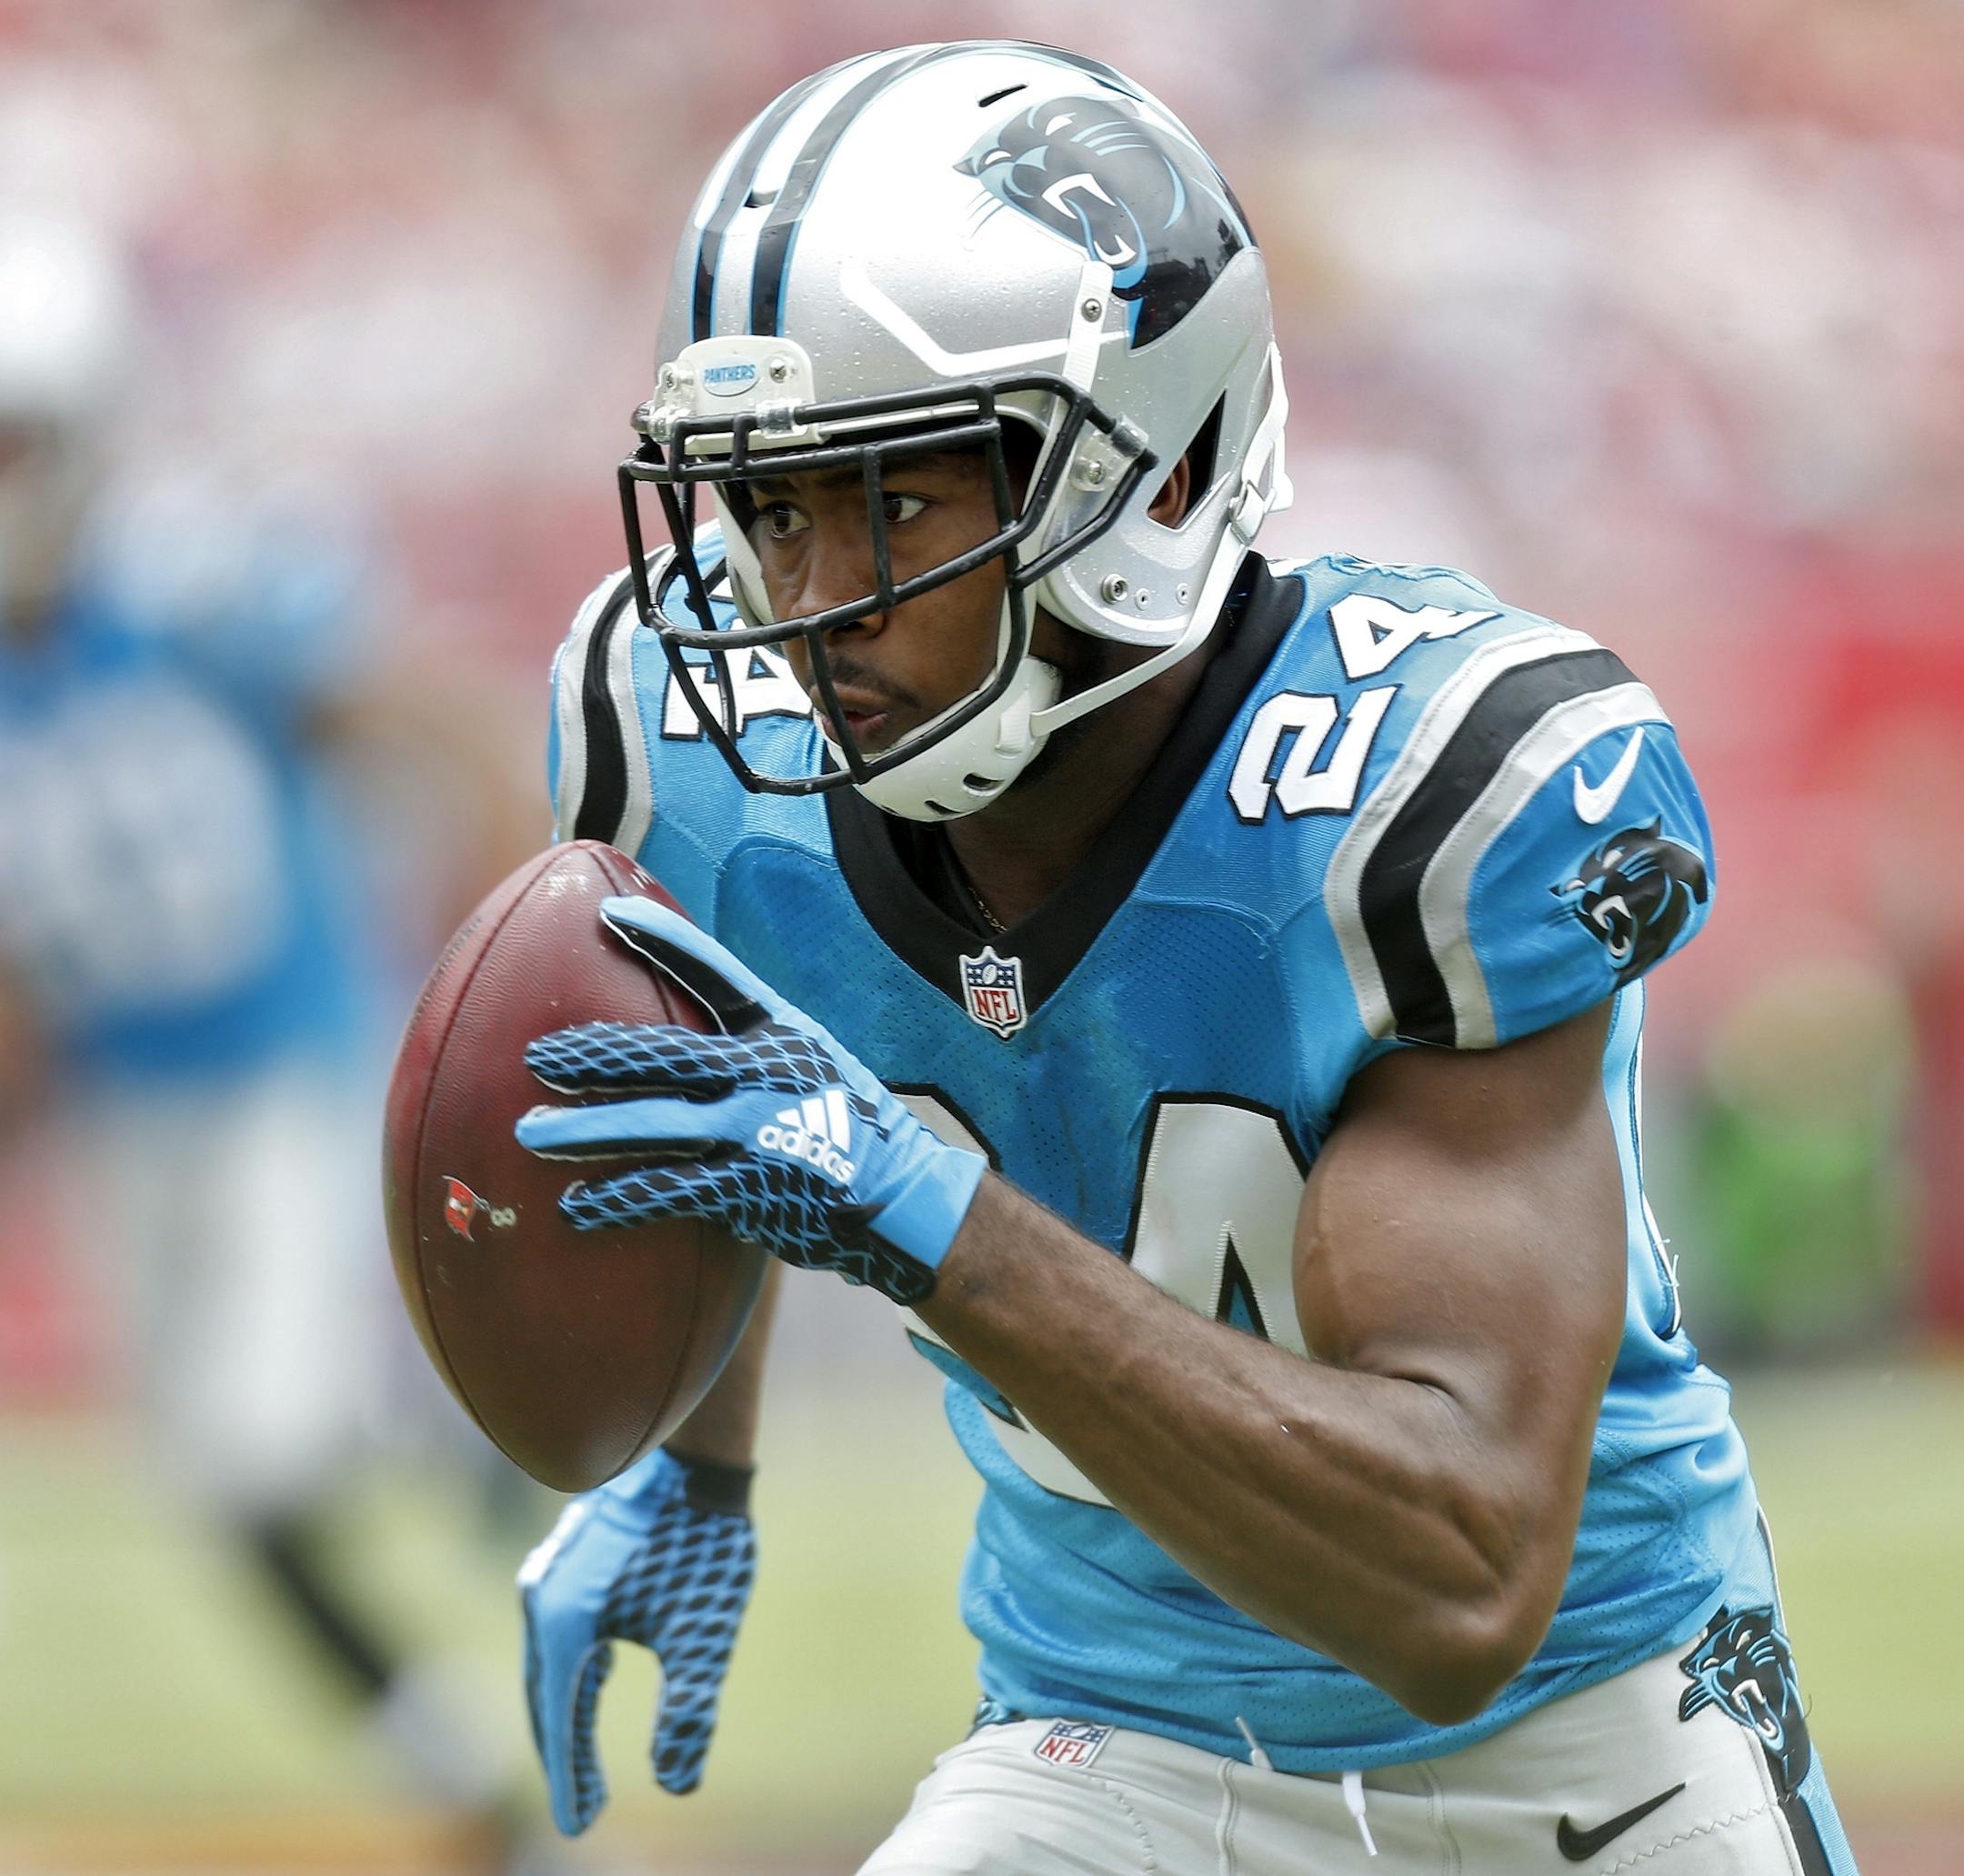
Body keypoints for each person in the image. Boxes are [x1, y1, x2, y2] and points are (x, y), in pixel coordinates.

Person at [514, 41, 1859, 1874]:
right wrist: (694, 1457)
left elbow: (1456, 1580)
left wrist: (927, 1220)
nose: (814, 597)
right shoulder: (673, 743)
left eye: (898, 502)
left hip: (1586, 1754)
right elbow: (710, 1083)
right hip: (1103, 1742)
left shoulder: (1422, 792)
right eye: (770, 506)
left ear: (1143, 473)